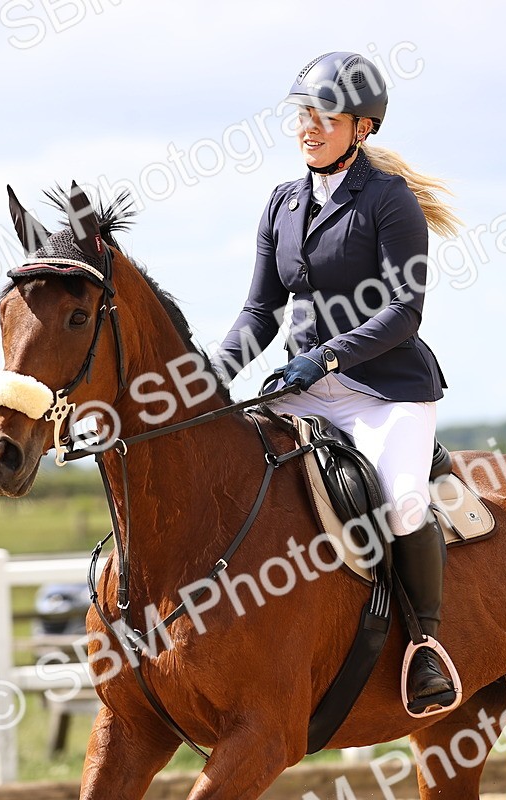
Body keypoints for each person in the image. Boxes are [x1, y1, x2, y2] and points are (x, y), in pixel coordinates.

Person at [211, 52, 459, 712]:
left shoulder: (389, 202)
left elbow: (404, 311)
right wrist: (210, 374)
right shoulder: (283, 203)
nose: (308, 126)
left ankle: (425, 648)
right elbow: (261, 310)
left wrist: (325, 360)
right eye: (303, 114)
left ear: (363, 127)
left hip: (385, 390)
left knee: (404, 500)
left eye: (324, 115)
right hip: (300, 387)